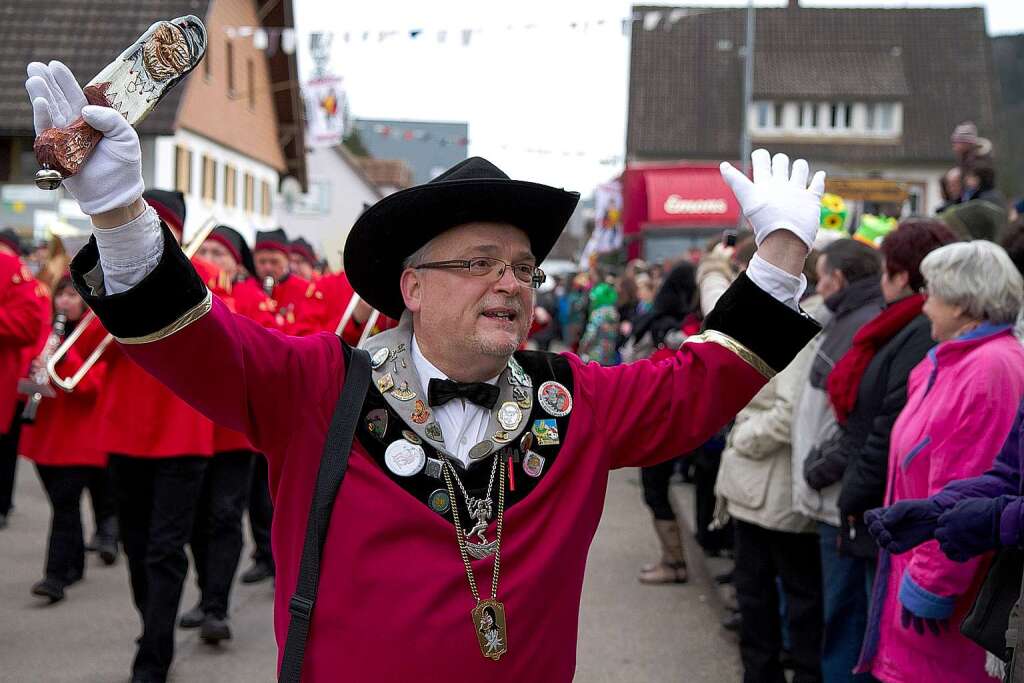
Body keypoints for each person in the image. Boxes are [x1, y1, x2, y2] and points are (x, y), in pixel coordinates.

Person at [31, 58, 825, 682]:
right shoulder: (321, 386)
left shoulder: (573, 397)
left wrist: (780, 259)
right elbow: (201, 347)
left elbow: (698, 384)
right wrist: (122, 218)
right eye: (481, 262)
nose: (511, 281)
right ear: (413, 286)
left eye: (522, 267)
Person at [854, 241, 1024, 683]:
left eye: (933, 293)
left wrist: (931, 583)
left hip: (943, 583)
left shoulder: (990, 368)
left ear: (965, 302)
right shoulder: (947, 361)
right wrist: (929, 517)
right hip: (919, 559)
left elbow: (977, 472)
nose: (924, 304)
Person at [714, 276, 828, 683]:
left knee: (787, 600)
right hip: (754, 488)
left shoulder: (796, 332)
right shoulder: (774, 325)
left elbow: (789, 412)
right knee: (757, 598)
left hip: (774, 491)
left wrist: (743, 435)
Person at [20, 276, 115, 602]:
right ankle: (73, 566)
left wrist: (61, 358)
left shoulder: (97, 334)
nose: (65, 301)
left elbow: (91, 387)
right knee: (64, 505)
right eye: (61, 294)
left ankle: (55, 577)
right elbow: (27, 381)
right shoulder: (48, 331)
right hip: (46, 434)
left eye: (73, 295)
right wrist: (33, 371)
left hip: (78, 437)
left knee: (64, 505)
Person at [624, 262, 699, 584]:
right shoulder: (678, 324)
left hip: (658, 416)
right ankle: (673, 558)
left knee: (655, 489)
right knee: (655, 489)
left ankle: (674, 561)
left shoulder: (666, 326)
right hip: (666, 415)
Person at [0, 228, 48, 529]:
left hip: (15, 374)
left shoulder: (16, 272)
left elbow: (29, 326)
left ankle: (2, 503)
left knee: (5, 447)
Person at [577, 282, 620, 366]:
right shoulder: (615, 313)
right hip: (609, 355)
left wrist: (581, 348)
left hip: (595, 355)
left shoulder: (598, 313)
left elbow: (590, 334)